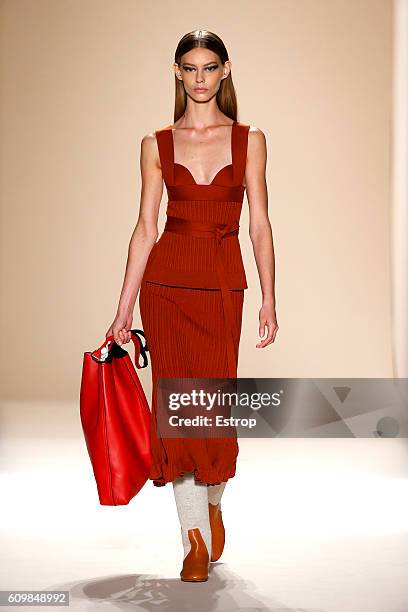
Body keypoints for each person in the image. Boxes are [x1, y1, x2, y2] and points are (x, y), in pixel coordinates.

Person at [106, 29, 278, 582]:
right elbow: (143, 229)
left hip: (223, 284)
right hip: (167, 286)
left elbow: (259, 224)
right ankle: (193, 540)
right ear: (177, 73)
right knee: (177, 415)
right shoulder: (155, 144)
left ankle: (213, 499)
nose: (199, 77)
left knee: (212, 409)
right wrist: (123, 310)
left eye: (209, 67)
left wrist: (269, 297)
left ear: (225, 70)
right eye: (189, 68)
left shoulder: (249, 140)